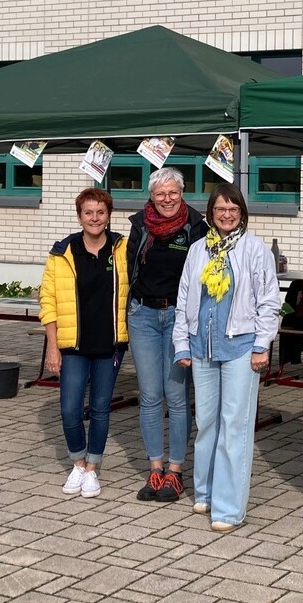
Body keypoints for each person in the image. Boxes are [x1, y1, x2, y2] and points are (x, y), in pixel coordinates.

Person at [172, 183, 280, 532]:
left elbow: (269, 301)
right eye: (220, 208)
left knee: (234, 426)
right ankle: (205, 492)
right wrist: (182, 344)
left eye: (233, 209)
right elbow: (184, 298)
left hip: (241, 348)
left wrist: (262, 345)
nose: (227, 214)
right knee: (206, 423)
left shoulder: (254, 249)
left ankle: (229, 508)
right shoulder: (198, 249)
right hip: (202, 347)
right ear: (211, 213)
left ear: (242, 213)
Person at [39, 187, 130, 497]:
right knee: (70, 409)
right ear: (79, 216)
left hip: (109, 345)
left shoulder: (121, 249)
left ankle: (92, 469)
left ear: (109, 215)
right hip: (73, 345)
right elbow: (48, 301)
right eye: (88, 212)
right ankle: (77, 463)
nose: (95, 218)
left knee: (101, 409)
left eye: (100, 212)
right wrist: (53, 347)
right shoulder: (62, 252)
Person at [126, 166, 208, 504]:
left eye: (173, 192)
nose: (167, 198)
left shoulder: (197, 227)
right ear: (151, 196)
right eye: (160, 193)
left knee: (176, 396)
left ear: (182, 193)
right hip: (143, 315)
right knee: (149, 395)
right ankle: (155, 468)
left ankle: (175, 471)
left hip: (178, 317)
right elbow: (130, 269)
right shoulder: (140, 225)